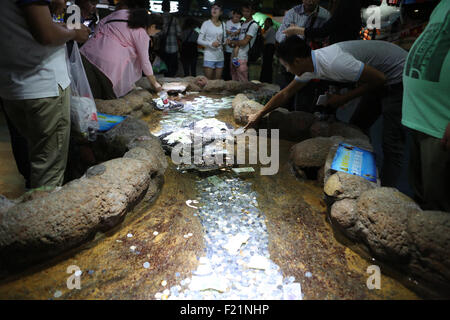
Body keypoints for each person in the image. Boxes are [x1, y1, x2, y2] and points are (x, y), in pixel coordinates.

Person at [245, 36, 408, 188]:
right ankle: (364, 173)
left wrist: (344, 98)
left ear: (297, 61)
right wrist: (259, 114)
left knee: (392, 142)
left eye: (286, 65)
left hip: (398, 77)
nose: (287, 70)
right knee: (358, 126)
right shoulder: (310, 64)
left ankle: (387, 190)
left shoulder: (335, 63)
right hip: (381, 75)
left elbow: (380, 79)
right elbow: (285, 93)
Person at [0, 0, 90, 189]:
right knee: (48, 174)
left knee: (33, 157)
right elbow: (46, 34)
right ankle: (41, 213)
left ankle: (31, 199)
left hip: (12, 85)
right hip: (43, 84)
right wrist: (74, 32)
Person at [402, 0, 450, 212]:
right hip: (420, 116)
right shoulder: (442, 5)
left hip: (441, 121)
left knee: (440, 204)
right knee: (421, 195)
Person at [80, 9, 163, 100]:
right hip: (108, 66)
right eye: (156, 33)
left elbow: (101, 23)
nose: (153, 35)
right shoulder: (142, 34)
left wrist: (97, 39)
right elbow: (145, 62)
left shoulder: (124, 12)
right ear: (152, 26)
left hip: (88, 52)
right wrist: (155, 84)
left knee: (83, 90)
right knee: (100, 97)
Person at [275, 0, 330, 111]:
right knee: (286, 93)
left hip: (309, 63)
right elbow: (280, 35)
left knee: (305, 97)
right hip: (292, 60)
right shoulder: (292, 12)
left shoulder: (325, 15)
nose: (310, 1)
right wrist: (298, 35)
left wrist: (295, 33)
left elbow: (325, 37)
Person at [283, 0, 362, 44]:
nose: (310, 2)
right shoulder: (292, 12)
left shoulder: (345, 4)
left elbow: (324, 31)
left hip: (342, 47)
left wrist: (296, 30)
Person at [228, 3, 259, 82]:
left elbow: (245, 42)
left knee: (243, 82)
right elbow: (237, 39)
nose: (245, 13)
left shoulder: (253, 25)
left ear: (252, 12)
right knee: (234, 80)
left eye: (247, 11)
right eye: (243, 11)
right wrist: (231, 43)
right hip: (234, 55)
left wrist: (232, 41)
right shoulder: (241, 23)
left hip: (242, 57)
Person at [197, 3, 225, 80]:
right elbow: (199, 40)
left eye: (217, 8)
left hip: (220, 57)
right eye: (213, 8)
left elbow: (223, 40)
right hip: (209, 57)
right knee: (208, 83)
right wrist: (211, 44)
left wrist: (226, 41)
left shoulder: (223, 24)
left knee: (217, 82)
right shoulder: (206, 24)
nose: (214, 9)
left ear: (221, 12)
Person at [160, 0, 181, 77]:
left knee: (165, 68)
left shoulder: (159, 18)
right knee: (173, 68)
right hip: (173, 48)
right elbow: (179, 33)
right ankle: (171, 81)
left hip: (162, 48)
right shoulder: (174, 19)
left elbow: (157, 33)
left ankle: (166, 80)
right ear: (169, 8)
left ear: (162, 8)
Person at [223, 9, 242, 81]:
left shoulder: (239, 23)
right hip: (228, 46)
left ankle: (235, 59)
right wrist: (231, 33)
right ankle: (226, 79)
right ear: (233, 15)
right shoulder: (228, 22)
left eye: (238, 17)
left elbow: (239, 30)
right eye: (236, 16)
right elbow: (226, 31)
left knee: (233, 66)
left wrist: (236, 32)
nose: (237, 18)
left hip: (236, 43)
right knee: (227, 65)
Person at [260, 18, 276, 83]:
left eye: (265, 22)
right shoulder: (271, 29)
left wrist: (260, 31)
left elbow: (264, 37)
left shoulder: (270, 29)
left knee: (267, 63)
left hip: (269, 47)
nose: (264, 24)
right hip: (270, 47)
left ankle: (266, 79)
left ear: (269, 23)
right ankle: (267, 78)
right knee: (268, 63)